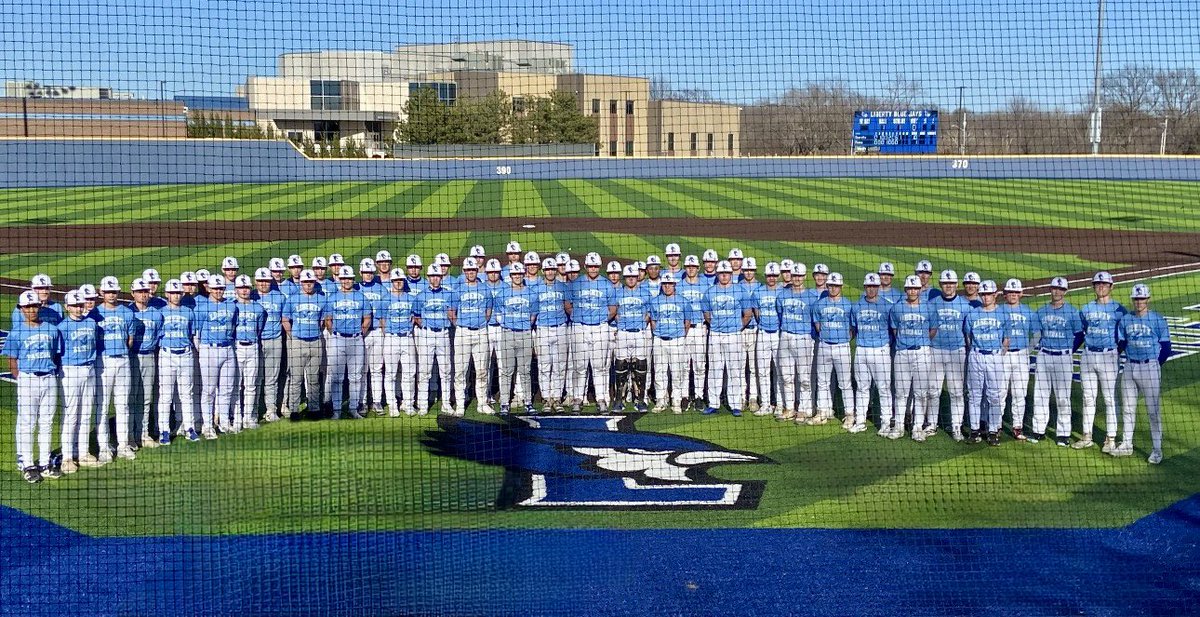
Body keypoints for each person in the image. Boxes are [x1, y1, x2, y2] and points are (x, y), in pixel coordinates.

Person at [5, 290, 63, 483]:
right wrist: (20, 377)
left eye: (34, 306)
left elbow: (56, 354)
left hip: (49, 378)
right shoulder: (16, 333)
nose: (31, 310)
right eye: (27, 307)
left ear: (39, 307)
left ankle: (45, 463)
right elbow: (12, 360)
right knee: (27, 423)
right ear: (20, 309)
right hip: (28, 380)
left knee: (46, 423)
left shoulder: (52, 329)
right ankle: (27, 463)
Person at [1115, 284, 1170, 463]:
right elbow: (1121, 344)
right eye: (1136, 299)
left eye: (1142, 298)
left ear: (1148, 299)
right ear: (1133, 300)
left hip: (1150, 368)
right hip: (1130, 367)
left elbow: (1166, 348)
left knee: (1152, 411)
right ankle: (1127, 444)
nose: (1139, 302)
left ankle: (1157, 450)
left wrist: (1154, 364)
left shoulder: (1157, 319)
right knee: (1128, 408)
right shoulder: (1125, 320)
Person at [1076, 271, 1126, 452]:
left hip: (1108, 356)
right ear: (1093, 287)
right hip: (1088, 356)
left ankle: (1110, 438)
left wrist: (1115, 352)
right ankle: (1086, 436)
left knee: (1110, 399)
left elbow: (1125, 337)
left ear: (1111, 287)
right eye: (1097, 284)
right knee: (1088, 398)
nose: (1101, 287)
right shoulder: (1086, 308)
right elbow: (1081, 333)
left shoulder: (1119, 310)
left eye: (1104, 284)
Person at [1031, 277, 1083, 446]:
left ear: (1065, 292)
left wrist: (1069, 351)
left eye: (1060, 289)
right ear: (1050, 289)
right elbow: (1037, 335)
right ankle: (1038, 430)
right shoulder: (1041, 311)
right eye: (1054, 288)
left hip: (1063, 358)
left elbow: (1080, 335)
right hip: (1044, 356)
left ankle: (1063, 433)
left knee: (1063, 397)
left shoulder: (1073, 312)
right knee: (1040, 395)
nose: (1057, 292)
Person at [702, 260, 752, 416]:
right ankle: (713, 403)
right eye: (722, 273)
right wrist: (716, 325)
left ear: (731, 274)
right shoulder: (710, 292)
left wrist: (737, 327)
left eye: (727, 273)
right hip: (715, 335)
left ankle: (735, 405)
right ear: (717, 274)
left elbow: (748, 314)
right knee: (715, 370)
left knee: (734, 370)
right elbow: (707, 314)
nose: (724, 276)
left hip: (734, 335)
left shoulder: (740, 290)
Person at [889, 275, 936, 441]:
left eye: (915, 288)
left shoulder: (929, 308)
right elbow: (895, 330)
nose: (912, 291)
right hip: (902, 353)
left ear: (920, 290)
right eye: (910, 288)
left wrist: (920, 342)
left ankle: (917, 427)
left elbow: (933, 330)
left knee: (921, 393)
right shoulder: (896, 308)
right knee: (901, 392)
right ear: (905, 290)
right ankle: (899, 426)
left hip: (922, 353)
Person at [569, 253, 617, 413]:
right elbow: (567, 304)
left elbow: (613, 309)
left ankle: (601, 398)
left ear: (600, 267)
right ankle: (577, 398)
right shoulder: (575, 284)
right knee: (580, 365)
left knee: (599, 366)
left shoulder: (607, 285)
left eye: (596, 266)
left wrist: (601, 319)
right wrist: (577, 317)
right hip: (579, 327)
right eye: (590, 266)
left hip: (600, 328)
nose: (593, 269)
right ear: (585, 267)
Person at [94, 276, 136, 461]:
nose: (111, 295)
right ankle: (104, 447)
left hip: (123, 361)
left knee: (123, 405)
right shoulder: (94, 314)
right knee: (102, 407)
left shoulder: (127, 313)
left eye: (114, 291)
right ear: (101, 293)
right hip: (103, 363)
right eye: (108, 291)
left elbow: (130, 338)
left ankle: (123, 445)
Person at [57, 290, 98, 472]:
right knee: (71, 414)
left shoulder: (91, 323)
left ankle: (83, 453)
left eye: (80, 305)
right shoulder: (62, 327)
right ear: (67, 307)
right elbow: (57, 353)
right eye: (74, 305)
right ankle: (67, 457)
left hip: (89, 369)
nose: (78, 308)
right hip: (70, 371)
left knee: (86, 413)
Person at [965, 281, 1010, 445]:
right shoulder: (972, 314)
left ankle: (993, 431)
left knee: (995, 396)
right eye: (983, 294)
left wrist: (998, 355)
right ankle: (975, 430)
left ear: (995, 295)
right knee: (974, 395)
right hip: (976, 356)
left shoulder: (1003, 315)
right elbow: (968, 338)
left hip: (994, 357)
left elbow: (1006, 340)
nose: (985, 297)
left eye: (988, 294)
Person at [194, 275, 238, 438]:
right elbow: (196, 334)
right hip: (209, 350)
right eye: (216, 288)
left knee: (226, 389)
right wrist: (202, 351)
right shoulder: (201, 307)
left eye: (221, 288)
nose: (218, 291)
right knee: (209, 390)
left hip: (227, 349)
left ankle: (225, 422)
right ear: (209, 289)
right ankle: (207, 425)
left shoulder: (232, 306)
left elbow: (233, 327)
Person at [928, 270, 970, 441]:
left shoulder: (965, 306)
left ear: (956, 285)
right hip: (936, 351)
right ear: (940, 285)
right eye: (945, 283)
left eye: (951, 283)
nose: (949, 286)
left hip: (957, 352)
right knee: (933, 391)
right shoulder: (932, 304)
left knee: (957, 393)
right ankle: (931, 424)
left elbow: (967, 333)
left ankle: (956, 427)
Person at [493, 262, 539, 415]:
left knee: (525, 370)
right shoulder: (503, 294)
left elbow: (533, 316)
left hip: (525, 333)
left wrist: (523, 325)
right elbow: (498, 314)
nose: (517, 276)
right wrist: (509, 325)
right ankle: (505, 403)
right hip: (507, 334)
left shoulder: (531, 294)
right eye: (515, 274)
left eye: (520, 274)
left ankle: (527, 402)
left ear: (523, 274)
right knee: (506, 370)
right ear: (511, 276)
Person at [282, 269, 329, 420]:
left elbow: (323, 321)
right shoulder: (293, 298)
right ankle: (294, 410)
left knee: (314, 378)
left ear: (315, 282)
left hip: (315, 341)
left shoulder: (322, 299)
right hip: (298, 342)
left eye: (311, 282)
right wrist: (293, 335)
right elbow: (285, 319)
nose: (308, 285)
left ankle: (314, 409)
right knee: (296, 378)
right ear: (301, 283)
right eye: (305, 282)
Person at [326, 265, 371, 419]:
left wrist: (360, 333)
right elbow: (328, 320)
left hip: (356, 340)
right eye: (343, 278)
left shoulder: (361, 297)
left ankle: (353, 408)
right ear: (339, 279)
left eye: (349, 278)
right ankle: (337, 410)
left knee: (355, 376)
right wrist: (335, 334)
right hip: (338, 339)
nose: (346, 281)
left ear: (353, 279)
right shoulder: (332, 297)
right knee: (337, 377)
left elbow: (367, 319)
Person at [156, 279, 198, 444]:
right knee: (165, 395)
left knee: (187, 394)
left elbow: (192, 334)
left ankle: (190, 428)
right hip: (167, 355)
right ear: (166, 294)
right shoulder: (160, 313)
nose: (175, 296)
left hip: (186, 354)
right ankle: (164, 431)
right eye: (172, 293)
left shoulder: (188, 312)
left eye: (178, 293)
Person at [449, 257, 492, 416]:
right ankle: (460, 405)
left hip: (481, 332)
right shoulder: (458, 289)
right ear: (464, 271)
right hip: (462, 332)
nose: (471, 272)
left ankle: (482, 403)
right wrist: (460, 325)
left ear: (477, 271)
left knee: (482, 370)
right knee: (460, 370)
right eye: (468, 270)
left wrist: (479, 322)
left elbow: (488, 311)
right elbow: (451, 312)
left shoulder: (485, 289)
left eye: (473, 270)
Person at [648, 272, 696, 414]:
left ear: (675, 285)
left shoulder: (683, 301)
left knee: (677, 372)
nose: (667, 287)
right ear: (661, 285)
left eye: (670, 284)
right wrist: (660, 333)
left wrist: (679, 335)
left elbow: (687, 322)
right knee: (659, 372)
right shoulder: (655, 301)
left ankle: (676, 400)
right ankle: (661, 401)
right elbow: (653, 321)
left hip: (677, 340)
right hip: (659, 340)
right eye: (664, 284)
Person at [812, 273, 855, 427]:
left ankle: (849, 414)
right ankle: (822, 412)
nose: (833, 288)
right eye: (830, 285)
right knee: (822, 382)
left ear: (841, 287)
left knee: (845, 383)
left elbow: (853, 328)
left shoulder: (849, 305)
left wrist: (844, 339)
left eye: (836, 286)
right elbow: (818, 325)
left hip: (842, 347)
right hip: (824, 345)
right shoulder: (819, 305)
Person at [850, 273, 891, 434]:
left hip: (880, 350)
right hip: (861, 350)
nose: (871, 289)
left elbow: (892, 330)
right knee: (861, 387)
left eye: (874, 286)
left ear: (879, 287)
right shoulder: (856, 306)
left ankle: (886, 422)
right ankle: (860, 421)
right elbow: (854, 328)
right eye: (869, 286)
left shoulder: (887, 306)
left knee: (883, 388)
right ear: (864, 287)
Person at [999, 279, 1039, 441]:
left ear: (1021, 294)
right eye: (1010, 292)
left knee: (1019, 393)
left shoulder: (1029, 312)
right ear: (1005, 294)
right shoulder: (998, 310)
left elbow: (1037, 334)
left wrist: (1027, 350)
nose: (1013, 295)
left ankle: (1017, 427)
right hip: (1002, 356)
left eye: (1016, 292)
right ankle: (996, 426)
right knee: (999, 393)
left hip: (1021, 356)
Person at [777, 263, 815, 423]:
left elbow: (815, 320)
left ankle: (804, 409)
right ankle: (789, 408)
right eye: (794, 276)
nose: (797, 279)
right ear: (790, 277)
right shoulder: (782, 295)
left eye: (800, 276)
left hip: (803, 338)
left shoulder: (811, 297)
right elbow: (780, 314)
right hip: (785, 336)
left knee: (804, 377)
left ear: (805, 277)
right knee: (786, 376)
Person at [414, 264, 454, 416]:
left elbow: (452, 313)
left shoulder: (448, 294)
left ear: (441, 277)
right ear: (429, 278)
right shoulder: (421, 296)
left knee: (446, 371)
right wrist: (425, 325)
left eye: (438, 276)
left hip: (443, 334)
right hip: (427, 335)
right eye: (432, 276)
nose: (435, 278)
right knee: (424, 371)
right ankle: (423, 405)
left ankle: (446, 403)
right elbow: (416, 316)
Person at [129, 277, 163, 449]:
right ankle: (130, 436)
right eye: (139, 292)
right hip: (132, 358)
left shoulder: (157, 314)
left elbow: (158, 337)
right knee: (131, 397)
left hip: (149, 356)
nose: (143, 295)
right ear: (132, 293)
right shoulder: (128, 312)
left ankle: (143, 434)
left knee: (146, 396)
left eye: (145, 292)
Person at [533, 257, 571, 412]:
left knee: (560, 365)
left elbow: (568, 307)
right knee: (544, 365)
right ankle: (546, 398)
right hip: (543, 329)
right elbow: (533, 312)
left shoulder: (563, 287)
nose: (550, 272)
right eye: (547, 269)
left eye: (552, 269)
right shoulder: (536, 288)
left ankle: (557, 398)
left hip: (560, 328)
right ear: (543, 271)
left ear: (555, 271)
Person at [613, 264, 652, 412]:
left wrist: (642, 323)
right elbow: (614, 311)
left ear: (637, 277)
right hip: (623, 332)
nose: (630, 280)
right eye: (628, 277)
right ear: (625, 278)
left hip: (639, 333)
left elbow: (649, 313)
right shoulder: (618, 293)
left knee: (641, 366)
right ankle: (618, 399)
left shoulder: (645, 293)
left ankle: (640, 399)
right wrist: (621, 322)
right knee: (621, 366)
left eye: (633, 277)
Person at [379, 271, 418, 416]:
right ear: (392, 281)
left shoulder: (411, 299)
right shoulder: (385, 299)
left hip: (407, 338)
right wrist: (388, 334)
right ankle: (392, 405)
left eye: (400, 280)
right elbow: (382, 320)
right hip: (391, 338)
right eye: (395, 280)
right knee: (390, 374)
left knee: (409, 373)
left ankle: (408, 404)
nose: (398, 282)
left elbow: (414, 317)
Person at [252, 267, 287, 421]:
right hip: (256, 342)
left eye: (266, 281)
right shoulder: (251, 296)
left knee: (272, 378)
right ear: (255, 282)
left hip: (274, 340)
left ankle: (271, 409)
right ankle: (253, 411)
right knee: (256, 379)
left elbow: (284, 319)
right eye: (260, 281)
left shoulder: (279, 297)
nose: (263, 284)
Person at [750, 262, 784, 417]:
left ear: (778, 276)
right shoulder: (758, 292)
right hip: (763, 333)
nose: (772, 278)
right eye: (769, 275)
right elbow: (756, 313)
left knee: (779, 370)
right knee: (762, 371)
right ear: (765, 276)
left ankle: (779, 404)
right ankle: (765, 404)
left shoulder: (783, 292)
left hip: (778, 334)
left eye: (774, 276)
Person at [233, 275, 266, 430]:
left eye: (246, 288)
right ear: (236, 290)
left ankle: (249, 417)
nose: (244, 291)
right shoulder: (231, 307)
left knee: (251, 384)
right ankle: (237, 417)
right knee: (236, 385)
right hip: (237, 347)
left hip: (253, 347)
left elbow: (259, 328)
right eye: (241, 288)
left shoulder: (259, 308)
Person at [677, 255, 710, 411]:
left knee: (699, 365)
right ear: (685, 268)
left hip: (699, 329)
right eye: (688, 267)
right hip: (684, 329)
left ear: (698, 268)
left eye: (693, 266)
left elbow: (708, 309)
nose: (691, 269)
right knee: (683, 365)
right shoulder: (679, 286)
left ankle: (698, 396)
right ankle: (684, 396)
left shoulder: (705, 285)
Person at [357, 258, 388, 414]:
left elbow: (386, 313)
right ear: (360, 273)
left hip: (376, 332)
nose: (368, 275)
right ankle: (362, 402)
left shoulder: (382, 289)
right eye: (365, 272)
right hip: (361, 334)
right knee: (362, 369)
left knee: (377, 368)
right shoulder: (355, 288)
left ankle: (377, 401)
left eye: (370, 272)